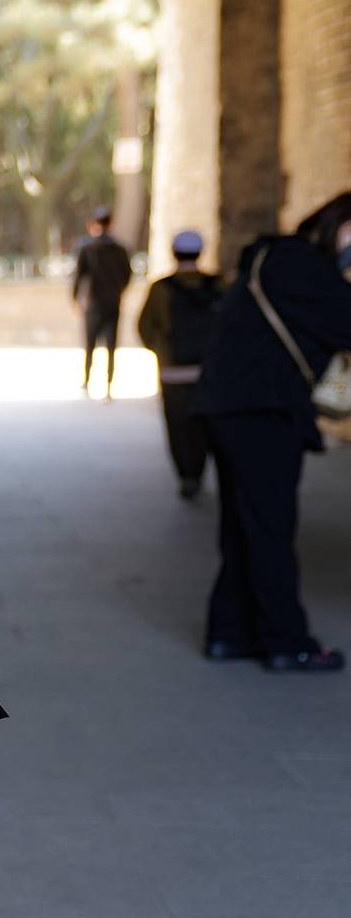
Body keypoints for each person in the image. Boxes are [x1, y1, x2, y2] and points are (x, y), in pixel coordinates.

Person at [192, 190, 351, 673]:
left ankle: (229, 632)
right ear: (338, 224)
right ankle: (287, 641)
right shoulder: (301, 265)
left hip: (231, 408)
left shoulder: (275, 257)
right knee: (269, 528)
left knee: (244, 526)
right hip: (260, 413)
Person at [136, 229, 224, 498]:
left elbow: (145, 327)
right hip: (209, 372)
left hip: (173, 372)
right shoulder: (218, 286)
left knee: (178, 426)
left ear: (174, 252)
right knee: (206, 425)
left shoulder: (161, 288)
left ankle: (188, 475)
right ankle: (203, 469)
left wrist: (163, 352)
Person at [72, 207, 134, 398]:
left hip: (93, 302)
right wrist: (118, 291)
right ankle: (108, 385)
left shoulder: (88, 248)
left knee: (90, 344)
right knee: (111, 345)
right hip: (112, 301)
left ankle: (87, 381)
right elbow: (127, 275)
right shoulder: (120, 249)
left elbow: (79, 276)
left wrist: (76, 298)